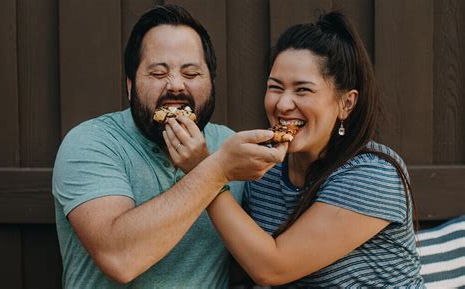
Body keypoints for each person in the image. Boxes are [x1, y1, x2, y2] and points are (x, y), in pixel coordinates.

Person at [52, 4, 285, 288]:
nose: (175, 86)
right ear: (129, 86)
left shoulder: (230, 145)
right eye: (158, 73)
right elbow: (119, 258)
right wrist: (216, 169)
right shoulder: (91, 142)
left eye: (191, 74)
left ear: (211, 83)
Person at [202, 12, 424, 287]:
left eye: (303, 90)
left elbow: (272, 267)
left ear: (346, 104)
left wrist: (207, 171)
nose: (283, 104)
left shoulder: (374, 174)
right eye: (275, 87)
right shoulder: (263, 175)